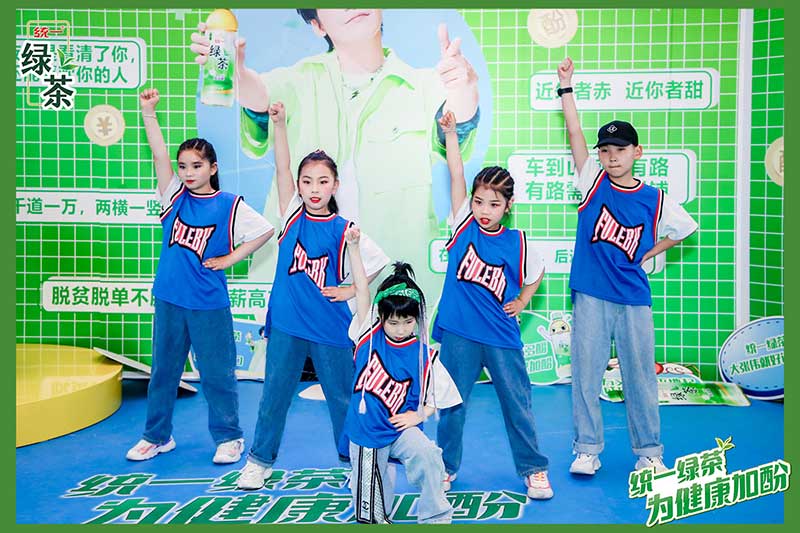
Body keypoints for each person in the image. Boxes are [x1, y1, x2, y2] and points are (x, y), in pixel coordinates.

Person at [190, 8, 481, 299]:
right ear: (318, 25)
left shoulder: (424, 86)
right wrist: (236, 74)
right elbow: (261, 96)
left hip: (391, 285)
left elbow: (455, 123)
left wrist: (464, 88)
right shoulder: (297, 81)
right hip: (302, 278)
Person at [557, 57, 698, 475]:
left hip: (633, 297)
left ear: (637, 152)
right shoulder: (591, 180)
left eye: (620, 149)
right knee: (586, 375)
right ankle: (587, 449)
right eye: (605, 150)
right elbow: (574, 131)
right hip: (591, 293)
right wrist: (566, 86)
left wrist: (648, 252)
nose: (611, 156)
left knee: (639, 377)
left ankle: (649, 453)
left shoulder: (654, 198)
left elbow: (685, 229)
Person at [237, 102, 389, 489]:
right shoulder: (291, 215)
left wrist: (351, 289)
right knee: (274, 395)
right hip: (287, 324)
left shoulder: (345, 228)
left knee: (341, 398)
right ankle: (259, 460)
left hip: (329, 328)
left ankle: (353, 462)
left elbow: (375, 262)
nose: (314, 189)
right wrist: (280, 125)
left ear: (335, 186)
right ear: (299, 186)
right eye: (307, 182)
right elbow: (282, 167)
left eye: (323, 182)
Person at [127, 88, 274, 463]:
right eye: (183, 167)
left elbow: (264, 231)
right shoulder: (173, 197)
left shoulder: (229, 205)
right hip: (170, 299)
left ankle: (229, 437)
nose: (188, 173)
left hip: (208, 303)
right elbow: (159, 155)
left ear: (213, 168)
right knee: (164, 372)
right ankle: (157, 436)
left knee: (216, 373)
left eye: (196, 166)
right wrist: (148, 113)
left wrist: (230, 259)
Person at [432, 111, 552, 499]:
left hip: (501, 337)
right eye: (479, 201)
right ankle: (445, 467)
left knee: (517, 405)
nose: (485, 210)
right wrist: (452, 134)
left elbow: (536, 273)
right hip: (459, 334)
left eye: (494, 204)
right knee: (452, 405)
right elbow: (456, 174)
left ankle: (534, 469)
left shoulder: (518, 242)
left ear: (508, 206)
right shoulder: (462, 225)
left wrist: (523, 300)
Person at [344, 248, 461, 524]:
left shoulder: (424, 355)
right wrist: (353, 248)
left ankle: (435, 517)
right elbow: (361, 288)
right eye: (393, 322)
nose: (400, 329)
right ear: (381, 316)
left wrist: (419, 415)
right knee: (372, 518)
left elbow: (441, 396)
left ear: (417, 318)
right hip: (367, 432)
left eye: (408, 322)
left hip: (400, 429)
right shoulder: (366, 335)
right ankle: (377, 474)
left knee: (428, 455)